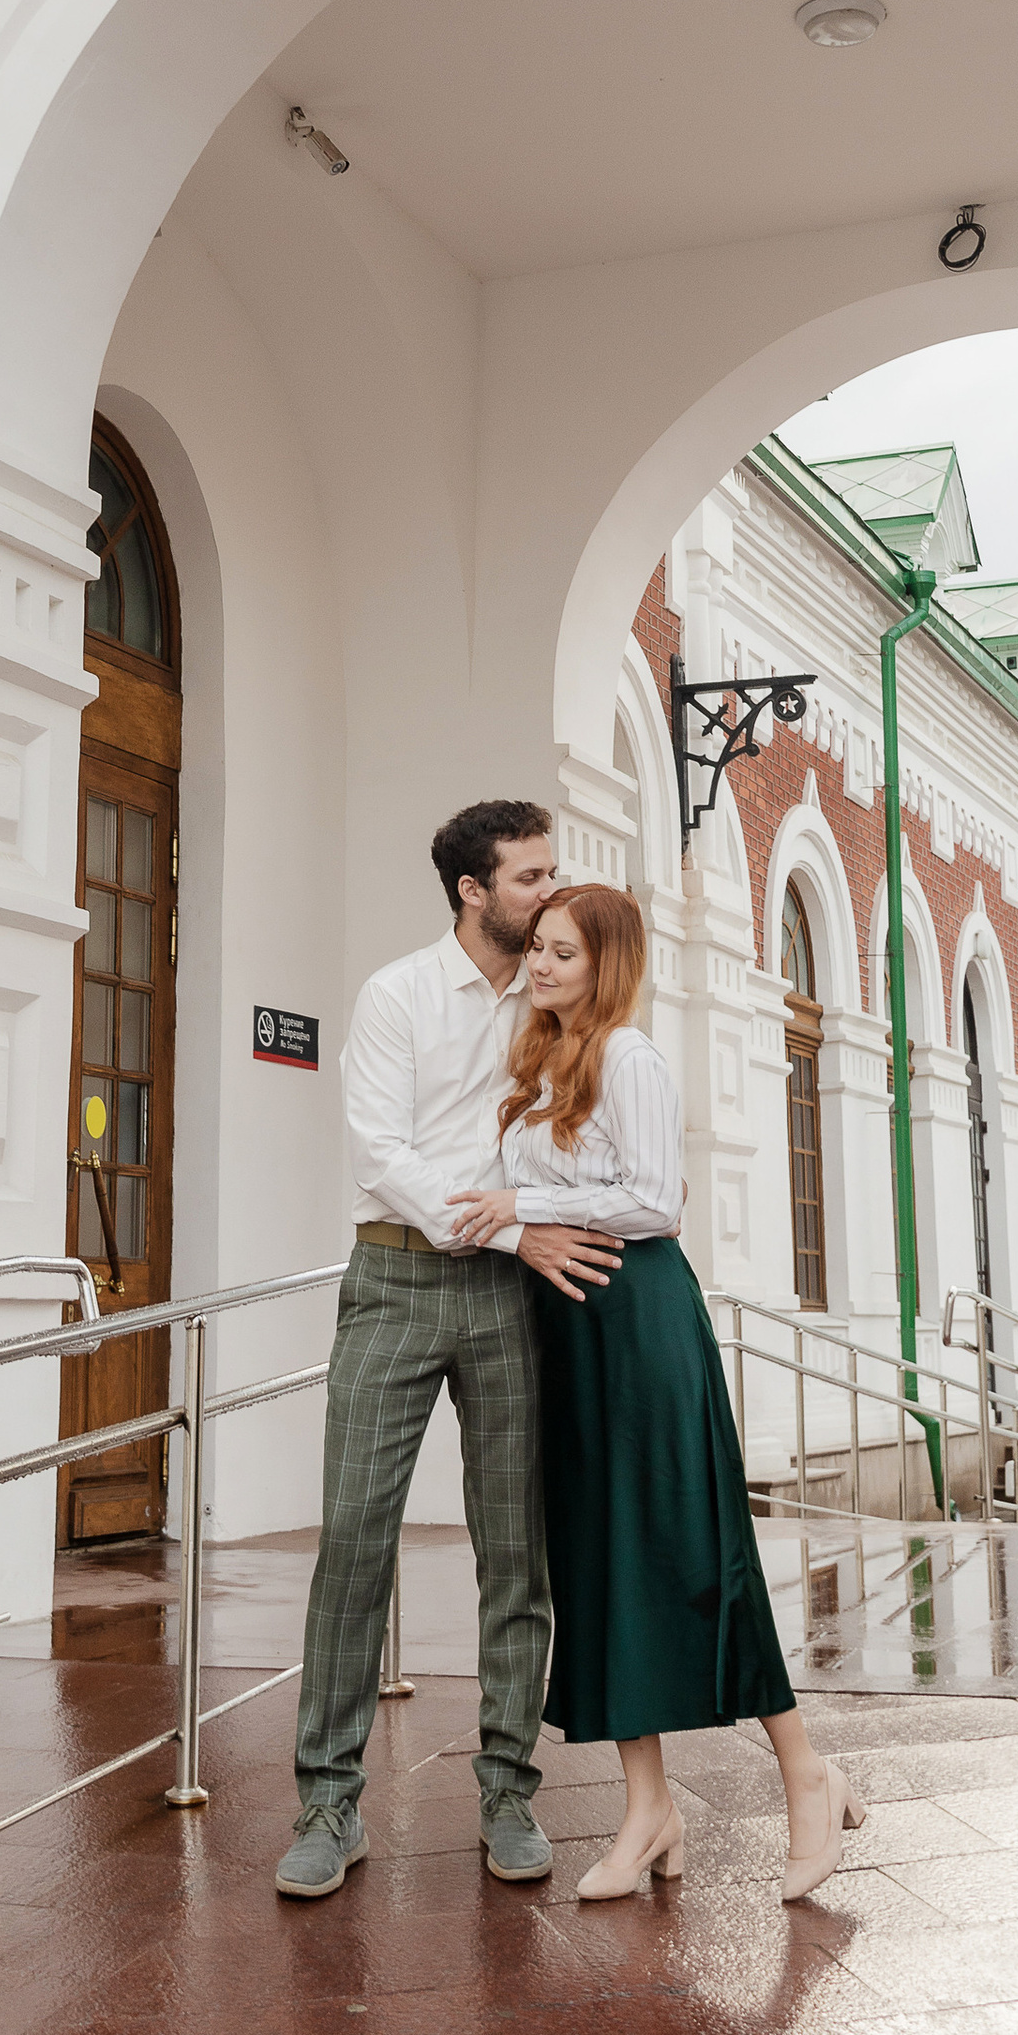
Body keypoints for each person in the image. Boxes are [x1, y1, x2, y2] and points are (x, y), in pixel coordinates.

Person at [448, 881, 863, 1903]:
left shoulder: (626, 1056)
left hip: (641, 1325)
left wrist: (522, 1200)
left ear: (607, 966)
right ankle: (648, 1810)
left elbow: (656, 1203)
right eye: (537, 949)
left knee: (694, 1553)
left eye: (563, 955)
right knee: (599, 1566)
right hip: (570, 1331)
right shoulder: (539, 1060)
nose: (539, 966)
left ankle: (806, 1773)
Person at [276, 800, 626, 1901]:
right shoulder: (398, 995)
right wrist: (517, 1226)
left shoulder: (551, 991)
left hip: (508, 1298)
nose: (547, 893)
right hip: (392, 1284)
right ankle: (327, 1805)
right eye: (528, 878)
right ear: (473, 892)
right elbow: (380, 1157)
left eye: (549, 873)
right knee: (354, 1542)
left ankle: (507, 1789)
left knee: (514, 1551)